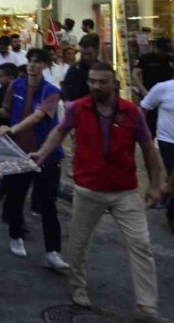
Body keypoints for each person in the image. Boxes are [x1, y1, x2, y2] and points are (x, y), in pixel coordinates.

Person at [30, 62, 163, 318]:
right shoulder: (79, 108)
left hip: (124, 191)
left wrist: (155, 185)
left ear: (114, 83)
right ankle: (78, 288)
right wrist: (43, 152)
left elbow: (148, 148)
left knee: (141, 245)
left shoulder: (131, 112)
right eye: (92, 81)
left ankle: (147, 305)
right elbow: (59, 132)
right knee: (79, 245)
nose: (97, 86)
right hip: (88, 189)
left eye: (103, 82)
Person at [0, 49, 68, 268]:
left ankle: (53, 252)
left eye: (37, 62)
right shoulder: (16, 86)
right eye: (30, 61)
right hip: (18, 152)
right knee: (16, 198)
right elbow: (5, 111)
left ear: (46, 66)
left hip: (45, 155)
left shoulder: (51, 91)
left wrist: (13, 128)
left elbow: (38, 116)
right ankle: (15, 236)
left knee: (48, 204)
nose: (31, 65)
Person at [140, 77, 174, 232]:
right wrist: (142, 134)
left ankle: (166, 195)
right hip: (168, 141)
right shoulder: (163, 88)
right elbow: (144, 108)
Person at [133, 38, 173, 138]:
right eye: (163, 50)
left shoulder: (170, 59)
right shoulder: (146, 58)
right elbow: (135, 74)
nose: (165, 53)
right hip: (149, 95)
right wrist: (142, 90)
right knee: (149, 127)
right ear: (157, 48)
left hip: (166, 98)